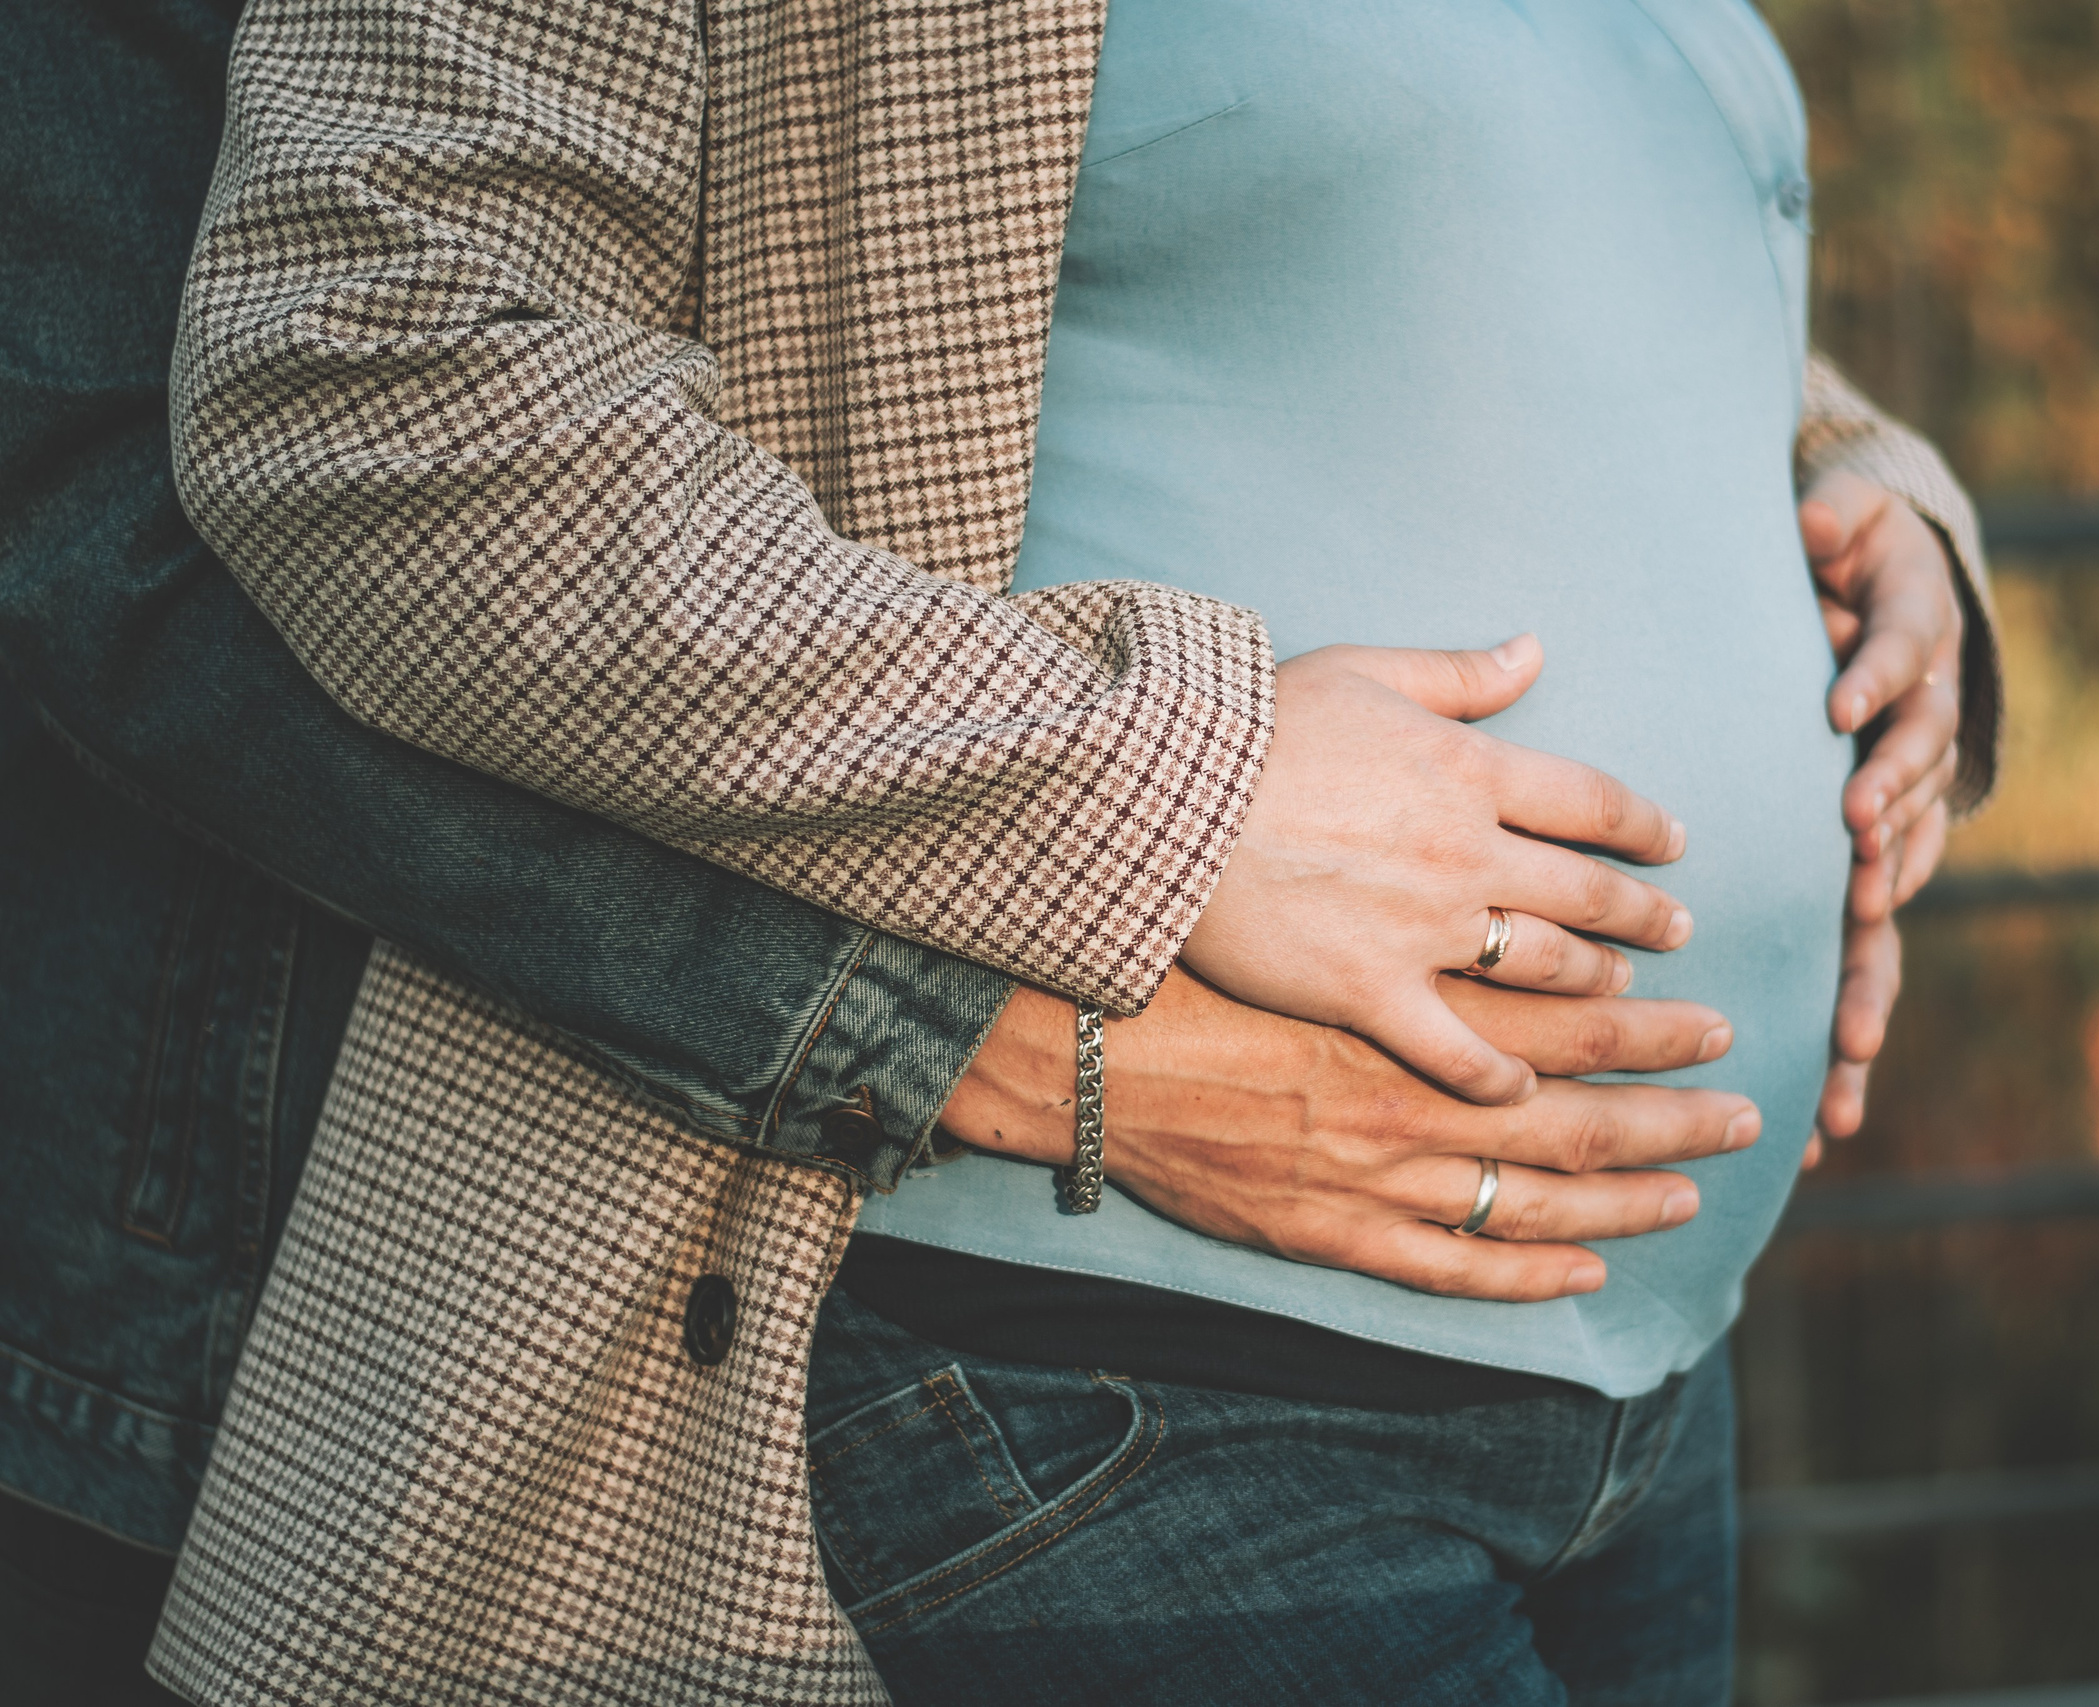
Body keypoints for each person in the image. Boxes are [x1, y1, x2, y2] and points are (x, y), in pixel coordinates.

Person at [0, 2, 1991, 1704]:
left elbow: (1506, 209)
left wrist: (1856, 494)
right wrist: (1183, 784)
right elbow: (366, 369)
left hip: (1647, 1371)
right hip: (1136, 1361)